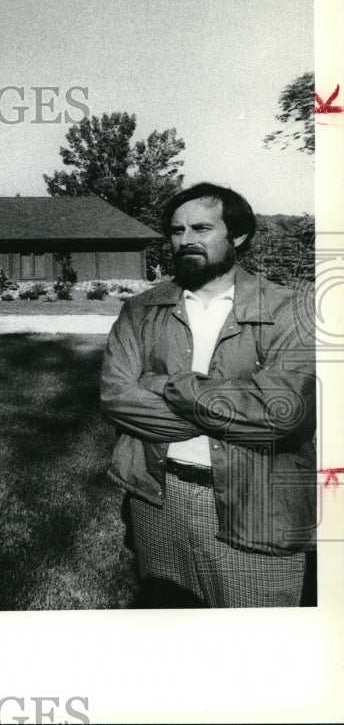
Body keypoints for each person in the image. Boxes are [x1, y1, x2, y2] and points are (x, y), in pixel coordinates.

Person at [100, 182, 316, 607]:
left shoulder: (292, 309)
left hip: (257, 504)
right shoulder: (142, 310)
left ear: (237, 236)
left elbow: (284, 412)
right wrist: (223, 410)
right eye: (177, 231)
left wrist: (165, 384)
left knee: (257, 645)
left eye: (201, 228)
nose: (186, 240)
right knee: (171, 631)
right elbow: (114, 393)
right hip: (156, 496)